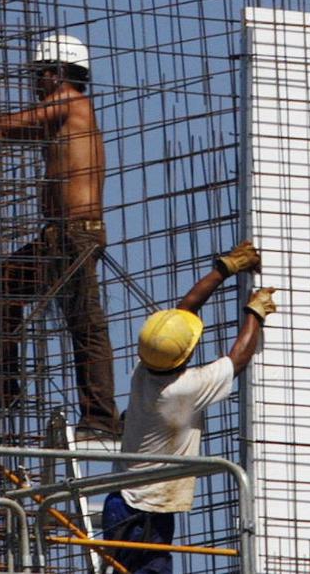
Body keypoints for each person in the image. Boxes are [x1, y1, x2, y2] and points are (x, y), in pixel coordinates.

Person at [0, 33, 120, 439]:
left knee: (86, 325)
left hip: (74, 236)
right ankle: (0, 383)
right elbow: (5, 133)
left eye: (37, 76)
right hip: (59, 236)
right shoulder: (65, 115)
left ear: (54, 74)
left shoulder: (67, 104)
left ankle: (100, 418)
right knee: (5, 285)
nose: (33, 84)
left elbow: (7, 126)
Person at [102, 240, 275, 574]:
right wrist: (256, 313)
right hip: (145, 512)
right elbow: (237, 358)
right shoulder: (185, 389)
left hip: (128, 503)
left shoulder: (145, 371)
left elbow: (183, 314)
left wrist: (224, 268)